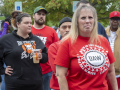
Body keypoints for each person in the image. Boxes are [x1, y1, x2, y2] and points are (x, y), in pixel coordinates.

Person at [54, 5, 118, 90]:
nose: (87, 21)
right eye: (83, 18)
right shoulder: (67, 43)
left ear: (94, 20)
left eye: (90, 17)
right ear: (76, 21)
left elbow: (111, 71)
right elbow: (60, 75)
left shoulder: (103, 41)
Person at [0, 13, 48, 90]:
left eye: (30, 23)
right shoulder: (6, 40)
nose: (29, 25)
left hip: (36, 84)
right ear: (18, 24)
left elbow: (46, 56)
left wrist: (41, 56)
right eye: (26, 23)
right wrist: (2, 70)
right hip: (15, 84)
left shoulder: (36, 40)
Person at [31, 6, 59, 90]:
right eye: (39, 14)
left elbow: (57, 50)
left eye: (43, 14)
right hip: (30, 70)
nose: (41, 16)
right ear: (33, 16)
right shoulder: (28, 30)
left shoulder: (51, 31)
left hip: (47, 71)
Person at [48, 17, 72, 90]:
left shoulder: (80, 46)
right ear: (59, 30)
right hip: (57, 87)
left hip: (77, 86)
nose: (67, 30)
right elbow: (58, 71)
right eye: (64, 27)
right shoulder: (53, 47)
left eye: (70, 27)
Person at [105, 11, 120, 89]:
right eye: (113, 19)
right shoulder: (103, 32)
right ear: (109, 20)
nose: (115, 21)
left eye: (117, 19)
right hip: (104, 74)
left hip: (118, 74)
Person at [0, 17, 11, 90]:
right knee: (4, 80)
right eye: (6, 29)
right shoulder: (2, 34)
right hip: (1, 60)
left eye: (9, 29)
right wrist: (5, 26)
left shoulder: (8, 35)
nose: (7, 31)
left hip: (6, 59)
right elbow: (2, 38)